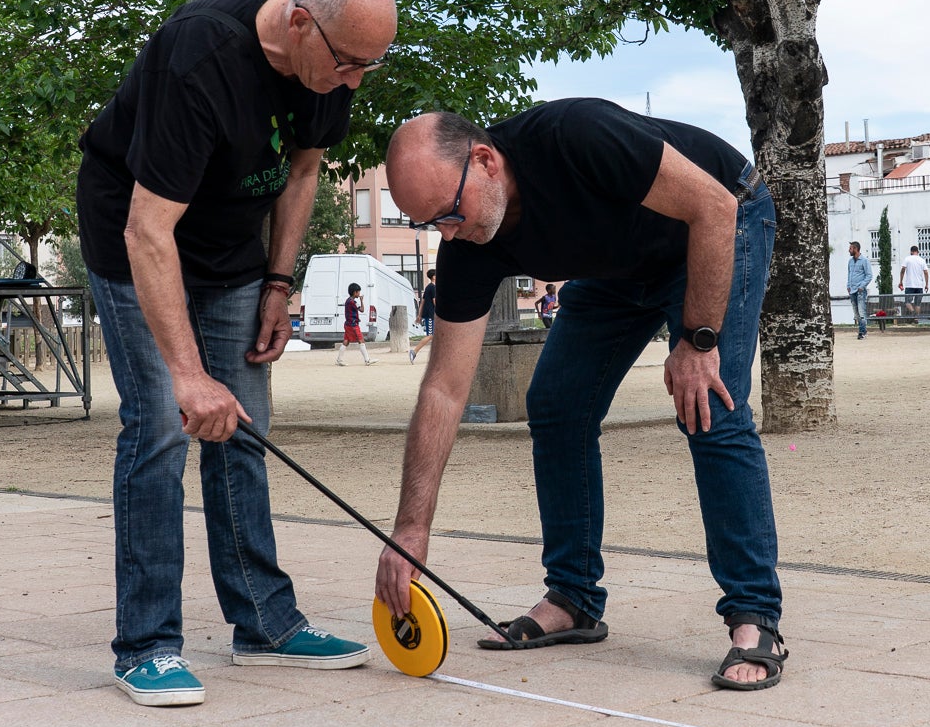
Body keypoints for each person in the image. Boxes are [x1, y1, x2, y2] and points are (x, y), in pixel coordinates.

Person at [74, 0, 396, 707]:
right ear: (299, 22)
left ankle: (264, 623)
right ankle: (146, 644)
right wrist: (189, 375)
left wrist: (278, 281)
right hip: (138, 237)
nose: (353, 81)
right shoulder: (198, 58)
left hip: (230, 250)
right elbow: (149, 231)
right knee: (160, 422)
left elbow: (306, 169)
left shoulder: (334, 71)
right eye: (347, 62)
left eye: (368, 67)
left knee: (243, 426)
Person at [378, 100, 788, 691]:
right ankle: (572, 597)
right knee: (557, 403)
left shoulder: (577, 137)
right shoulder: (468, 243)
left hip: (721, 223)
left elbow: (713, 207)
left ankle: (755, 616)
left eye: (447, 211)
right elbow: (443, 390)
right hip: (620, 269)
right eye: (427, 223)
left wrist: (697, 343)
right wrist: (410, 531)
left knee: (710, 407)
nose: (446, 231)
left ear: (486, 161)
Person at [337, 282, 376, 365]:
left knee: (346, 341)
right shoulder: (353, 302)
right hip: (353, 325)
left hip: (348, 324)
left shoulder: (348, 300)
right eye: (358, 292)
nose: (359, 294)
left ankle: (339, 360)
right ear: (355, 292)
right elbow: (362, 309)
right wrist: (362, 301)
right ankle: (367, 360)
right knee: (361, 340)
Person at [845, 241, 871, 339]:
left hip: (860, 290)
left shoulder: (864, 260)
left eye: (850, 248)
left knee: (861, 311)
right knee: (856, 313)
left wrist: (862, 286)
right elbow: (849, 274)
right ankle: (862, 329)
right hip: (852, 290)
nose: (849, 250)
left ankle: (862, 332)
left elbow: (869, 275)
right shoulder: (850, 261)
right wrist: (848, 285)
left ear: (856, 249)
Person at [899, 245, 929, 318]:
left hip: (910, 285)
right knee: (917, 304)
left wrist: (901, 281)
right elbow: (926, 272)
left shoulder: (907, 259)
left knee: (907, 302)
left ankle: (913, 313)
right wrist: (926, 284)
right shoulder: (922, 260)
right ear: (918, 252)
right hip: (919, 285)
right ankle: (916, 319)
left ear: (911, 251)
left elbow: (903, 270)